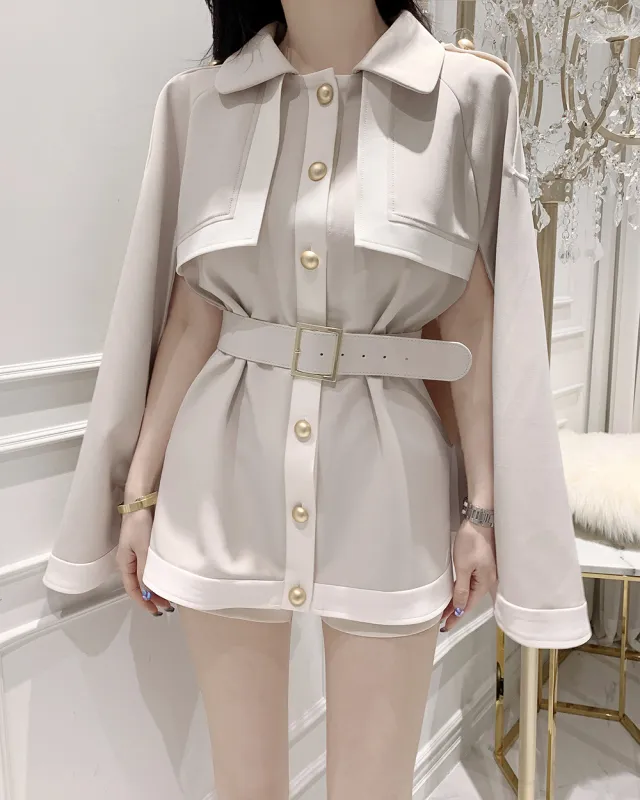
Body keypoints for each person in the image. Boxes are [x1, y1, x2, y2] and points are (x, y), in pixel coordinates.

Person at [44, 1, 591, 797]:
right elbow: (193, 315)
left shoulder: (463, 94)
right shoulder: (202, 102)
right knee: (245, 784)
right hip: (220, 477)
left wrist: (481, 511)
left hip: (388, 487)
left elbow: (472, 320)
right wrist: (138, 493)